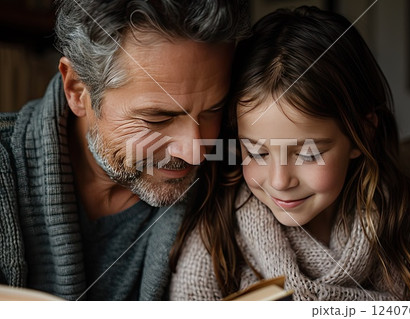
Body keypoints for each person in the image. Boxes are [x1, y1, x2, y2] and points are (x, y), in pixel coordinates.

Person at [169, 6, 410, 300]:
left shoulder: (408, 233)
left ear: (360, 136)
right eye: (256, 152)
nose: (279, 181)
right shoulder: (214, 245)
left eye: (308, 154)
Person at [0, 0, 250, 300]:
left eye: (213, 109)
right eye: (158, 117)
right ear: (78, 90)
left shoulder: (246, 174)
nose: (196, 153)